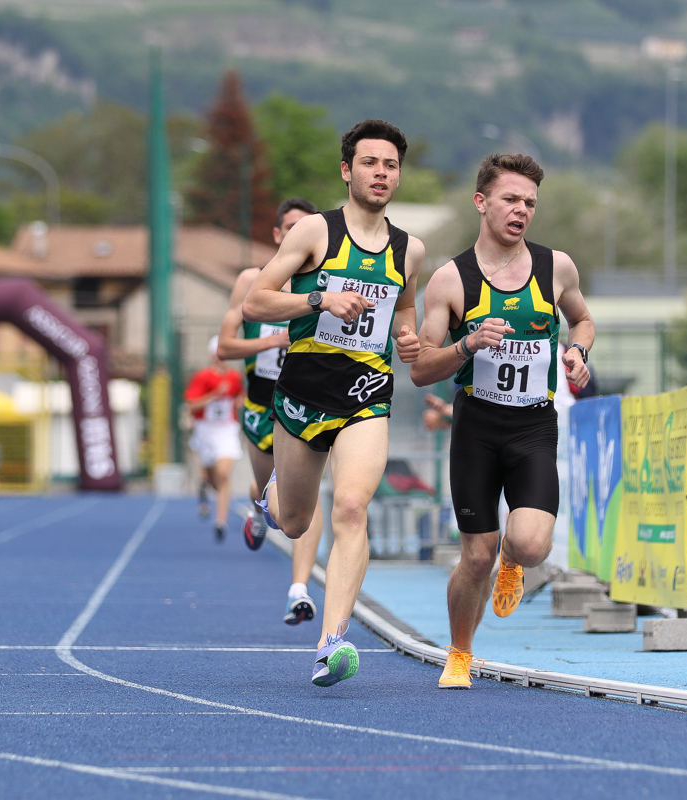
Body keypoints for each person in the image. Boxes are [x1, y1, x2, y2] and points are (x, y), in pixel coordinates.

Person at [243, 118, 424, 687]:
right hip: (303, 390)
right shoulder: (315, 233)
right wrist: (320, 299)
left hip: (366, 392)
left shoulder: (410, 249)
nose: (381, 173)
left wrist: (409, 337)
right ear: (347, 171)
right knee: (295, 522)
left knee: (349, 507)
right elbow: (255, 302)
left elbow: (404, 308)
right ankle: (273, 494)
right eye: (370, 163)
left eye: (390, 165)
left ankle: (332, 643)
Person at [411, 153, 594, 689]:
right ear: (481, 202)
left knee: (531, 545)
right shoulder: (450, 280)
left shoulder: (556, 267)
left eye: (530, 202)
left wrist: (578, 351)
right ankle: (460, 653)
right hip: (477, 426)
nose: (521, 210)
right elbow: (421, 369)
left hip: (533, 425)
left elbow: (582, 319)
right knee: (475, 556)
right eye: (510, 199)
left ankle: (512, 560)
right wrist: (467, 344)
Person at [216, 197, 327, 625]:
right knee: (269, 492)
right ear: (279, 234)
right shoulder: (251, 280)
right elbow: (225, 347)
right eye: (291, 227)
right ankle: (258, 506)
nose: (300, 234)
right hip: (262, 409)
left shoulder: (328, 282)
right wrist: (271, 341)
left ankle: (299, 589)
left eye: (308, 227)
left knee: (307, 501)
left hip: (306, 407)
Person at [184, 336, 244, 542]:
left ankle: (220, 522)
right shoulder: (202, 377)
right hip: (206, 430)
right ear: (212, 356)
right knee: (212, 478)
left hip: (227, 430)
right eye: (220, 354)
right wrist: (215, 394)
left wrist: (240, 401)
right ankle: (204, 484)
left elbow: (240, 396)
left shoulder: (235, 377)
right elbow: (192, 405)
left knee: (223, 474)